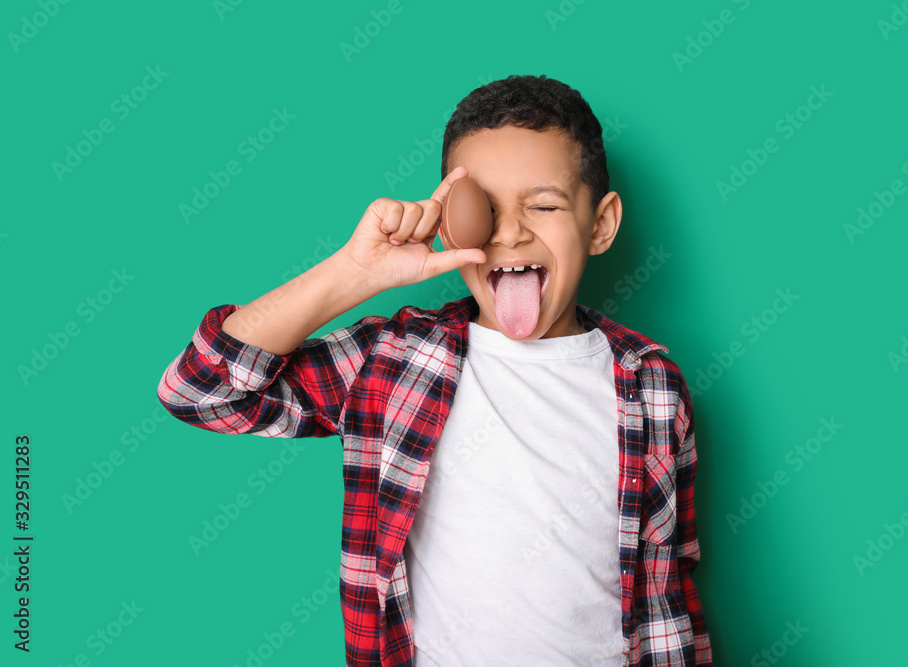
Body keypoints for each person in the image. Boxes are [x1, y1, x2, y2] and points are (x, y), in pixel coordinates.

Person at [157, 74, 712, 666]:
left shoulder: (654, 386)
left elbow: (666, 581)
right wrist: (357, 272)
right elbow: (201, 389)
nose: (509, 231)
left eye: (544, 205)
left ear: (599, 224)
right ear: (449, 222)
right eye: (484, 209)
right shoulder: (395, 358)